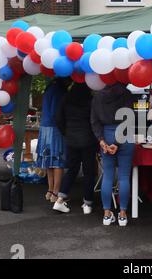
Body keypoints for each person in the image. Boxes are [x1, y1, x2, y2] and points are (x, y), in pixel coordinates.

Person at [91, 83, 135, 226]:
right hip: (125, 137)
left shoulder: (97, 97)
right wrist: (117, 142)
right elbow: (129, 120)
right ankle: (122, 214)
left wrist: (102, 140)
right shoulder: (126, 94)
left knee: (108, 176)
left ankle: (106, 214)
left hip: (106, 135)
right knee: (123, 177)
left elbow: (94, 121)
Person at [53, 83, 99, 214]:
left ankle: (60, 199)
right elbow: (95, 120)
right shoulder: (91, 101)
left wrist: (66, 132)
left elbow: (58, 118)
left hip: (71, 140)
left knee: (72, 170)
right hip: (88, 140)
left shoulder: (66, 98)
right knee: (88, 172)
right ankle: (87, 204)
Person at [35, 78, 69, 203]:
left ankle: (50, 191)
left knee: (48, 160)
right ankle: (56, 192)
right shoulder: (59, 90)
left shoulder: (49, 88)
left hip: (44, 126)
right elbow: (57, 113)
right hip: (55, 128)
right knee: (57, 160)